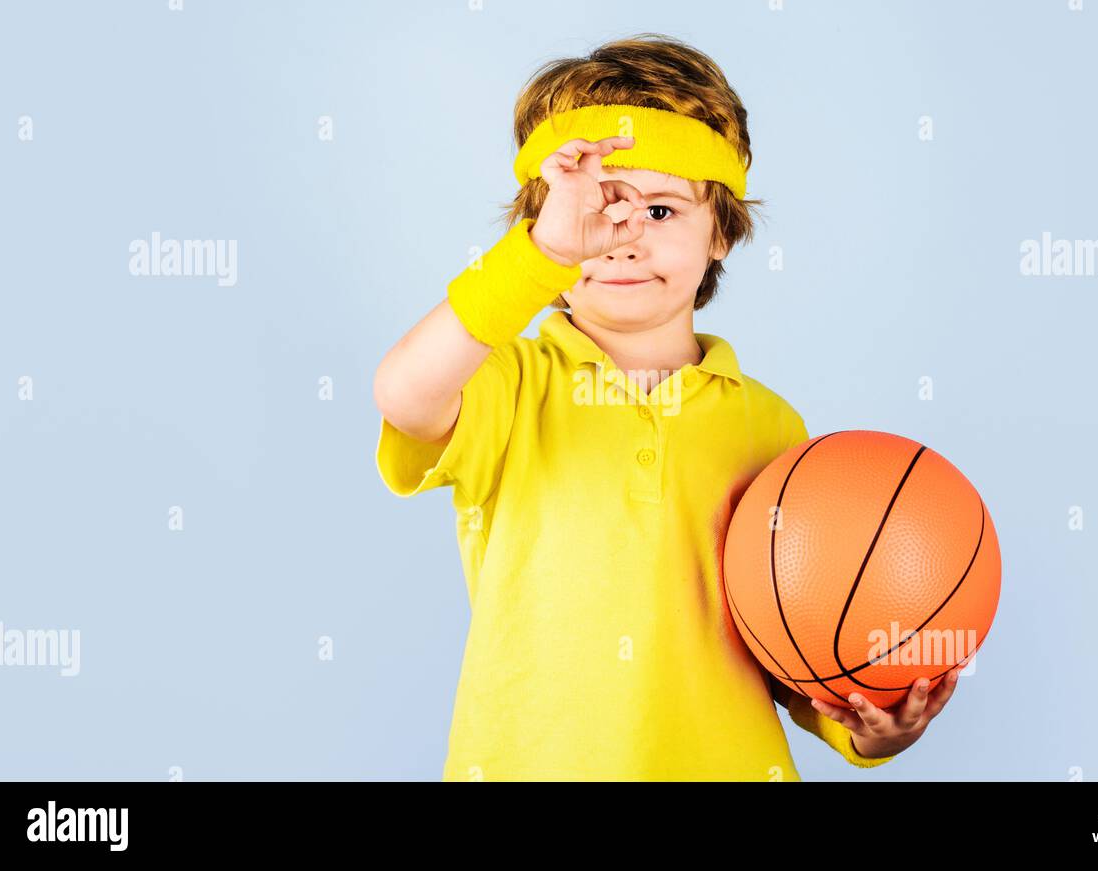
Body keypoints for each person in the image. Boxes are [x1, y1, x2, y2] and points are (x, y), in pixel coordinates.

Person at [373, 34, 957, 781]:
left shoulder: (772, 428)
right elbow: (403, 392)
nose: (621, 238)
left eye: (659, 208)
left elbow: (791, 635)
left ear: (720, 230)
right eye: (591, 212)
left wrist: (865, 730)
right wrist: (539, 253)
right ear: (543, 229)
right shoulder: (507, 384)